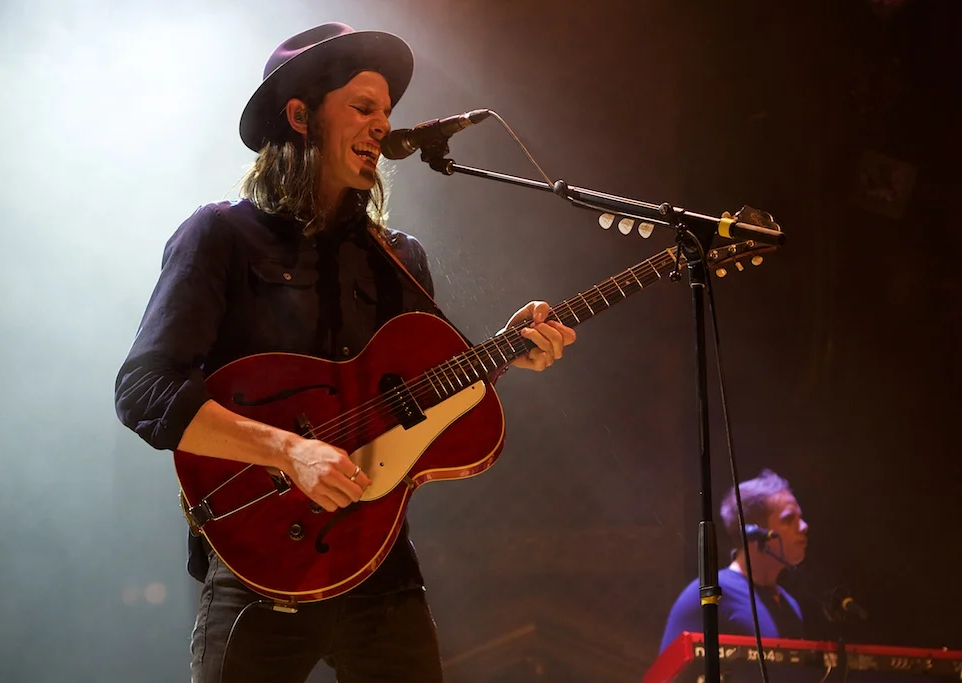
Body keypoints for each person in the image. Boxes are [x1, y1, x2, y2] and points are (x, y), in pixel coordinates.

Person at [113, 22, 577, 683]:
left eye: (387, 112)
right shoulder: (220, 236)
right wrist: (289, 451)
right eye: (363, 107)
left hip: (378, 564)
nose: (382, 126)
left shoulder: (399, 257)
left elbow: (422, 392)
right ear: (300, 115)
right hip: (258, 567)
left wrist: (505, 350)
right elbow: (144, 390)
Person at [659, 469, 809, 652]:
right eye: (788, 519)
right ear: (753, 532)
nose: (804, 526)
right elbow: (669, 676)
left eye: (800, 517)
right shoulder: (710, 592)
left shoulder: (790, 605)